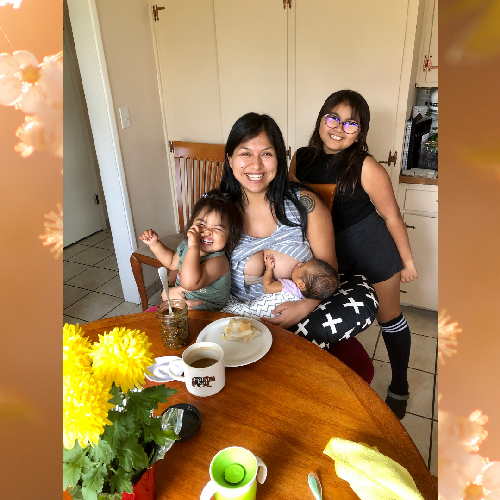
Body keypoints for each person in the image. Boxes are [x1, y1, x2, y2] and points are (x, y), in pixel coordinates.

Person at [289, 89, 418, 419]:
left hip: (372, 250)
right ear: (321, 119)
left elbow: (391, 216)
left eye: (351, 123)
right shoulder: (300, 158)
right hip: (328, 255)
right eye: (333, 117)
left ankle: (399, 386)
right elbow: (291, 207)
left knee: (389, 319)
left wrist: (407, 262)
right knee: (330, 321)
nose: (339, 127)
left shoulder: (366, 166)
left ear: (361, 132)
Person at [218, 112, 337, 327]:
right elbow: (192, 257)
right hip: (237, 322)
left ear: (279, 158)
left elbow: (328, 272)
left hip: (302, 321)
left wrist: (304, 308)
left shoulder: (306, 204)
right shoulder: (217, 210)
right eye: (245, 153)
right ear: (230, 159)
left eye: (266, 154)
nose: (256, 165)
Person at [138, 189, 243, 311]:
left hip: (205, 311)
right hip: (181, 301)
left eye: (217, 229)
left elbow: (190, 284)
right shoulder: (186, 245)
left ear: (229, 237)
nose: (207, 231)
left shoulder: (218, 261)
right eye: (202, 224)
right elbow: (172, 263)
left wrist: (194, 247)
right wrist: (154, 244)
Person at [263, 254, 339, 300]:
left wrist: (269, 269)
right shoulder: (304, 296)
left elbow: (267, 287)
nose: (299, 263)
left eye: (302, 266)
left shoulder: (290, 288)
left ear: (301, 284)